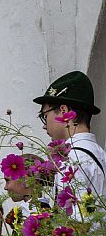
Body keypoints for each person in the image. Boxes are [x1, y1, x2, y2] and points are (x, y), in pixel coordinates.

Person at [33, 70, 105, 202]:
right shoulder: (100, 153)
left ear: (63, 110)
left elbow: (75, 214)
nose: (44, 126)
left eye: (45, 116)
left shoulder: (73, 158)